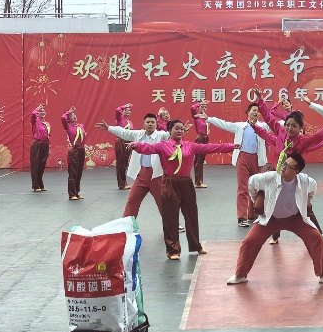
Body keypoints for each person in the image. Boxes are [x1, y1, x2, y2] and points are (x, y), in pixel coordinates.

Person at [132, 119, 240, 259]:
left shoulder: (190, 146)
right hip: (169, 182)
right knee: (170, 217)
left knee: (191, 214)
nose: (180, 131)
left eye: (182, 129)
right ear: (169, 130)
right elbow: (148, 148)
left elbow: (210, 148)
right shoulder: (162, 146)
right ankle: (173, 250)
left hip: (186, 182)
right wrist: (135, 145)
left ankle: (196, 245)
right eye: (176, 128)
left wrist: (231, 146)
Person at [227, 152, 323, 286]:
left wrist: (307, 202)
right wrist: (256, 200)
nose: (284, 167)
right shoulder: (270, 177)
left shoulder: (305, 181)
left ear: (296, 172)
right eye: (284, 164)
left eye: (289, 166)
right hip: (271, 218)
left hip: (295, 218)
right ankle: (240, 275)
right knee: (250, 241)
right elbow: (252, 182)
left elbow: (312, 189)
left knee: (317, 238)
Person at [252, 90, 323, 239]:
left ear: (300, 128)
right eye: (288, 125)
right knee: (267, 205)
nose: (289, 128)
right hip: (275, 175)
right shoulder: (281, 133)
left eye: (294, 126)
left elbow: (316, 138)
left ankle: (319, 235)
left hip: (291, 179)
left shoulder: (302, 141)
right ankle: (275, 236)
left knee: (305, 207)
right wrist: (260, 100)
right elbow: (269, 118)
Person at [205, 102, 272, 227]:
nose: (256, 112)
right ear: (248, 112)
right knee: (243, 188)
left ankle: (253, 214)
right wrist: (208, 119)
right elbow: (224, 124)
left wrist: (289, 115)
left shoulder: (263, 126)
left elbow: (277, 125)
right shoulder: (240, 126)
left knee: (256, 187)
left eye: (258, 111)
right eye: (254, 110)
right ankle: (242, 217)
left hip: (258, 159)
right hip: (242, 158)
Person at [96, 113, 171, 218]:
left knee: (163, 201)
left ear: (156, 124)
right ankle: (127, 223)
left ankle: (173, 224)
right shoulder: (138, 134)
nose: (150, 124)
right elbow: (124, 132)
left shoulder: (161, 135)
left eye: (152, 122)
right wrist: (109, 128)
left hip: (156, 175)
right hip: (141, 174)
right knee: (132, 200)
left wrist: (181, 131)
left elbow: (171, 135)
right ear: (144, 124)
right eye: (148, 122)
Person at [61, 107, 88, 200]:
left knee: (79, 172)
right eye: (71, 115)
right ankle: (72, 193)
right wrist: (69, 112)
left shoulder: (81, 125)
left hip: (81, 149)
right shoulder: (68, 126)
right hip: (74, 150)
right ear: (68, 118)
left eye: (74, 114)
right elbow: (63, 118)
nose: (74, 116)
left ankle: (77, 192)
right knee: (73, 172)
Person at [113, 103, 134, 190]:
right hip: (121, 142)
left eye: (129, 110)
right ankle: (121, 183)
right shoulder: (120, 119)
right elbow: (117, 110)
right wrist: (124, 106)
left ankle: (124, 181)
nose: (128, 111)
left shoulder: (130, 123)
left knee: (125, 163)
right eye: (126, 110)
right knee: (120, 163)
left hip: (127, 143)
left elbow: (132, 133)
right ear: (122, 112)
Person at [29, 104, 51, 192]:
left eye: (43, 111)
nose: (42, 112)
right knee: (35, 165)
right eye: (40, 111)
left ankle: (40, 184)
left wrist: (49, 147)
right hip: (37, 144)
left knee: (42, 165)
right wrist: (38, 108)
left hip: (45, 144)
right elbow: (32, 114)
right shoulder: (35, 121)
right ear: (37, 113)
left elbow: (48, 136)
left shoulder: (47, 124)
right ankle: (35, 185)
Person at [189, 100, 210, 188]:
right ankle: (198, 182)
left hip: (205, 139)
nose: (204, 108)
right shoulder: (196, 116)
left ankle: (199, 181)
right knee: (198, 160)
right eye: (202, 107)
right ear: (198, 108)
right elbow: (192, 108)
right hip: (200, 139)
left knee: (201, 160)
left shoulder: (205, 117)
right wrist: (200, 103)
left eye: (205, 107)